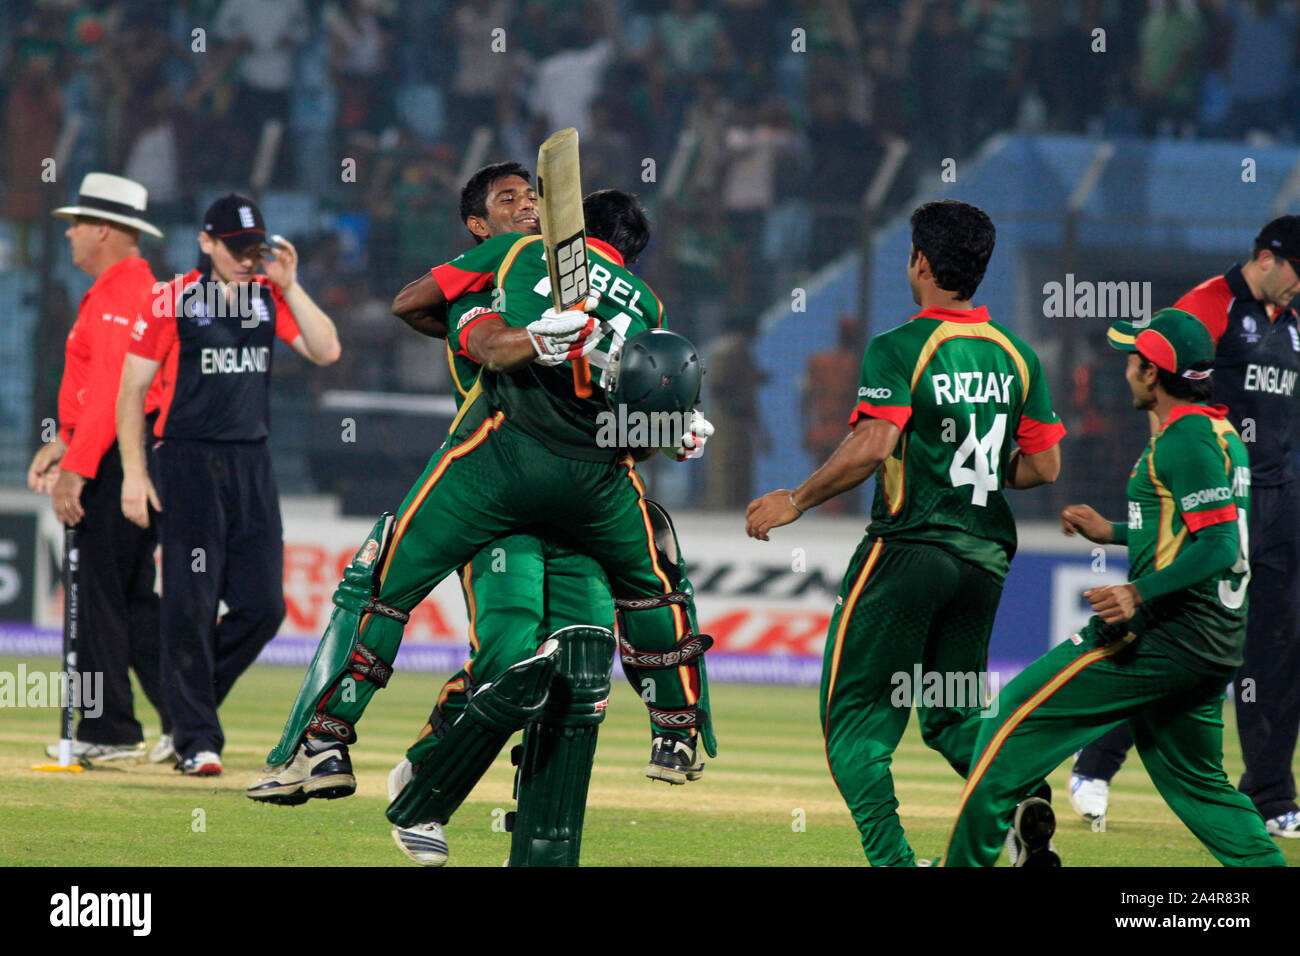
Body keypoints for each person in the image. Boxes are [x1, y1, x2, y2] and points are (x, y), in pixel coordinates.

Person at [248, 189, 717, 865]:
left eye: (538, 200)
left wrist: (526, 337)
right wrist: (670, 426)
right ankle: (674, 730)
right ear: (477, 222)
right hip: (589, 486)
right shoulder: (640, 302)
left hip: (497, 470)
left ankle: (356, 752)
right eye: (513, 199)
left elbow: (430, 314)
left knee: (526, 653)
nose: (530, 209)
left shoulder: (527, 257)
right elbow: (621, 399)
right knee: (560, 648)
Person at [745, 199, 1065, 866]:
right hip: (984, 560)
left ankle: (895, 862)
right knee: (951, 719)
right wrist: (966, 461)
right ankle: (1026, 795)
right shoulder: (1018, 355)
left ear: (920, 261)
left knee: (853, 722)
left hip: (909, 551)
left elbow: (872, 444)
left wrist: (796, 499)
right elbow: (1043, 465)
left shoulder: (901, 347)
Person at [942, 308, 1286, 868]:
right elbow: (1195, 532)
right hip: (1213, 645)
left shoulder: (1185, 440)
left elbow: (1220, 546)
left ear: (1153, 374)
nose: (1125, 368)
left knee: (1005, 726)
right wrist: (1115, 532)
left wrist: (1138, 594)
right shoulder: (1222, 434)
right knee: (1204, 791)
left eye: (1134, 359)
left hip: (1165, 638)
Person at [1068, 216, 1300, 838]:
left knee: (1279, 651)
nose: (1297, 289)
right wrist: (1159, 482)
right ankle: (1096, 762)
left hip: (1276, 502)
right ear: (1267, 257)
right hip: (1209, 493)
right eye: (1296, 273)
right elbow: (1161, 377)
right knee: (1182, 637)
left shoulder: (1293, 325)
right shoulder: (1209, 304)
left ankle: (1273, 798)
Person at [116, 194, 341, 776]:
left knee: (263, 606)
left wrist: (291, 285)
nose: (247, 260)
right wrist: (135, 475)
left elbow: (326, 350)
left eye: (254, 249)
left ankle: (183, 710)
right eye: (236, 249)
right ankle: (196, 742)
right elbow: (131, 392)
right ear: (207, 243)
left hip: (251, 464)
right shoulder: (173, 300)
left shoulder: (269, 298)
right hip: (187, 463)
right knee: (189, 603)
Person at [28, 173, 170, 765]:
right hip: (133, 453)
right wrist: (64, 440)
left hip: (115, 459)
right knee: (133, 600)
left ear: (105, 230)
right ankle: (188, 724)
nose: (70, 237)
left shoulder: (118, 293)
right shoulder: (140, 288)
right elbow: (103, 390)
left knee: (96, 596)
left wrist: (78, 468)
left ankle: (109, 732)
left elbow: (116, 389)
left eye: (77, 225)